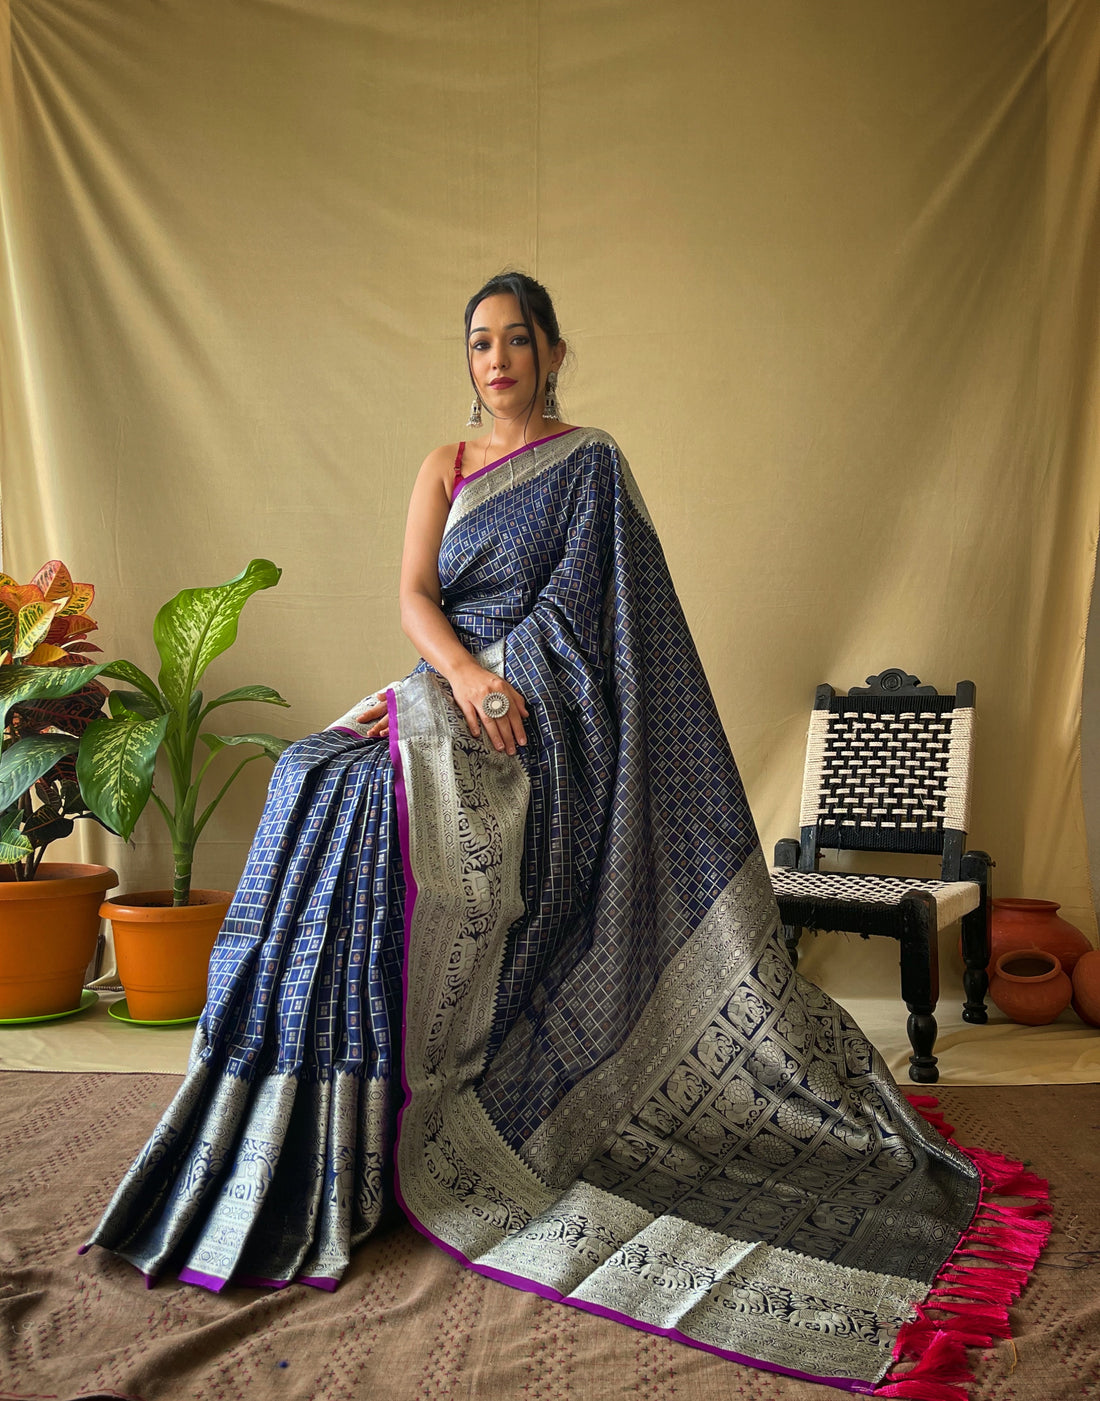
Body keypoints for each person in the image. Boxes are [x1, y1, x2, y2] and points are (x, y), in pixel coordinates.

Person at [83, 272, 1046, 1394]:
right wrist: (458, 677)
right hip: (446, 684)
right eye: (477, 343)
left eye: (514, 340)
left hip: (549, 709)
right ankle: (306, 1123)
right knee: (309, 781)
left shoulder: (590, 465)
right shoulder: (441, 466)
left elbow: (599, 624)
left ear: (550, 352)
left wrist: (506, 687)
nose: (494, 360)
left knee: (362, 802)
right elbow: (410, 595)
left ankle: (404, 1114)